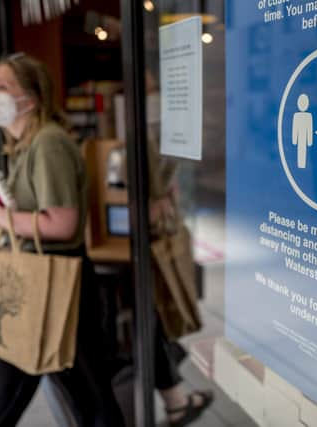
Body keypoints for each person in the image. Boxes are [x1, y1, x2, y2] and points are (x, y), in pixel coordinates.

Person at [0, 53, 125, 427]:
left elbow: (61, 224)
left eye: (2, 87)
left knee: (83, 392)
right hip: (41, 278)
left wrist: (0, 217)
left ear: (31, 97)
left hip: (58, 281)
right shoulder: (26, 145)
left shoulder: (49, 143)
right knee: (75, 391)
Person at [145, 70, 214, 427]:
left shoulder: (154, 117)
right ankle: (175, 396)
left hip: (153, 229)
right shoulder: (149, 118)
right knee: (151, 321)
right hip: (147, 232)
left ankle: (174, 392)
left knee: (153, 319)